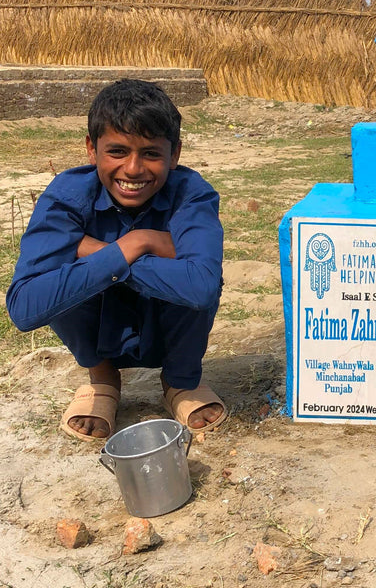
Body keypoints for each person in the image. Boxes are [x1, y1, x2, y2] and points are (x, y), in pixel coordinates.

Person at [6, 79, 226, 442]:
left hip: (166, 323)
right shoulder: (66, 196)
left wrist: (104, 250)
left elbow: (201, 287)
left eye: (152, 154)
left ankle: (180, 380)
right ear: (92, 150)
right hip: (98, 325)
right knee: (64, 282)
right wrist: (137, 247)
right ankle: (103, 378)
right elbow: (25, 307)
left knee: (198, 281)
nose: (134, 169)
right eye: (118, 151)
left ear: (175, 155)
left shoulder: (191, 194)